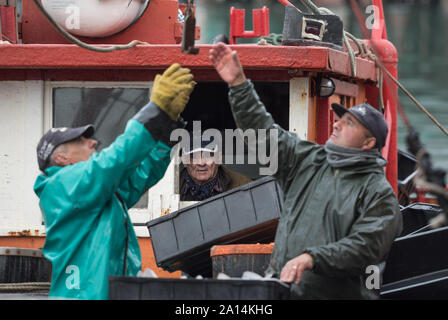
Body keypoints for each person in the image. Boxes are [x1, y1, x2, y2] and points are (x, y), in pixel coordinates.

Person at [209, 42, 403, 299]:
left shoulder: (378, 193)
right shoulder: (307, 160)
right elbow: (263, 134)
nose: (337, 124)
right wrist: (238, 85)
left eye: (349, 123)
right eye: (339, 118)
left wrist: (312, 258)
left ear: (368, 143)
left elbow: (365, 247)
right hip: (282, 293)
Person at [33, 63, 196, 300]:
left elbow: (139, 176)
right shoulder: (61, 186)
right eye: (81, 141)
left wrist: (168, 128)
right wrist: (155, 109)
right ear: (61, 158)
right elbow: (116, 159)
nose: (94, 143)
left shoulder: (91, 192)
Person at [179, 133, 252, 201]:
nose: (201, 163)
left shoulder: (244, 186)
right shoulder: (170, 189)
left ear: (219, 158)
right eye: (194, 157)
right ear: (185, 160)